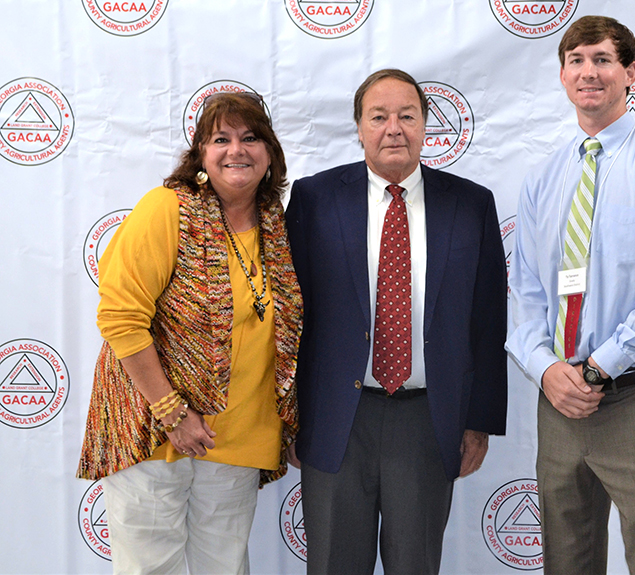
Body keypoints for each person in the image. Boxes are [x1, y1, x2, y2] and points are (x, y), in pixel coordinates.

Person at [285, 68, 507, 575]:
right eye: (379, 116)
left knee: (415, 565)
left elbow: (488, 320)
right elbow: (292, 314)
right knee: (333, 564)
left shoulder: (471, 203)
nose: (394, 128)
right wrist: (289, 413)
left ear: (426, 126)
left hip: (427, 419)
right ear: (359, 128)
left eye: (407, 116)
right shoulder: (314, 198)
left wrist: (479, 420)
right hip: (337, 415)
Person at [506, 16, 635, 575]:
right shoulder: (543, 179)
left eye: (601, 59)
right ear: (563, 76)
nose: (588, 72)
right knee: (566, 562)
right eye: (576, 60)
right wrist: (548, 370)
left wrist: (596, 371)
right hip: (559, 404)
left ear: (630, 73)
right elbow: (524, 293)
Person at [76, 92, 303, 575]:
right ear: (200, 154)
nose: (236, 150)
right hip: (155, 431)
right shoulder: (167, 209)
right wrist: (171, 411)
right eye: (220, 139)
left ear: (270, 154)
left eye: (251, 138)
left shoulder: (276, 226)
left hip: (240, 437)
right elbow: (120, 316)